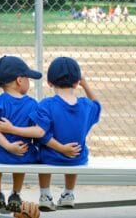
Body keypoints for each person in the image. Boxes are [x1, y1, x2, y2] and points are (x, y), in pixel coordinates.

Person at [29, 57, 101, 211]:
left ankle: (45, 195)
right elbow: (97, 106)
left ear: (49, 83)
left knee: (41, 151)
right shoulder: (86, 105)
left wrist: (61, 148)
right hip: (77, 159)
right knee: (75, 150)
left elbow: (41, 135)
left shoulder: (46, 105)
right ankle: (68, 194)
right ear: (76, 83)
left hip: (50, 158)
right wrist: (85, 84)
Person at [0, 56, 44, 213]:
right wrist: (14, 140)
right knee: (24, 151)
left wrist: (7, 145)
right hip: (23, 154)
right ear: (19, 80)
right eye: (27, 78)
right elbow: (38, 131)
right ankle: (15, 194)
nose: (29, 82)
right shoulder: (32, 104)